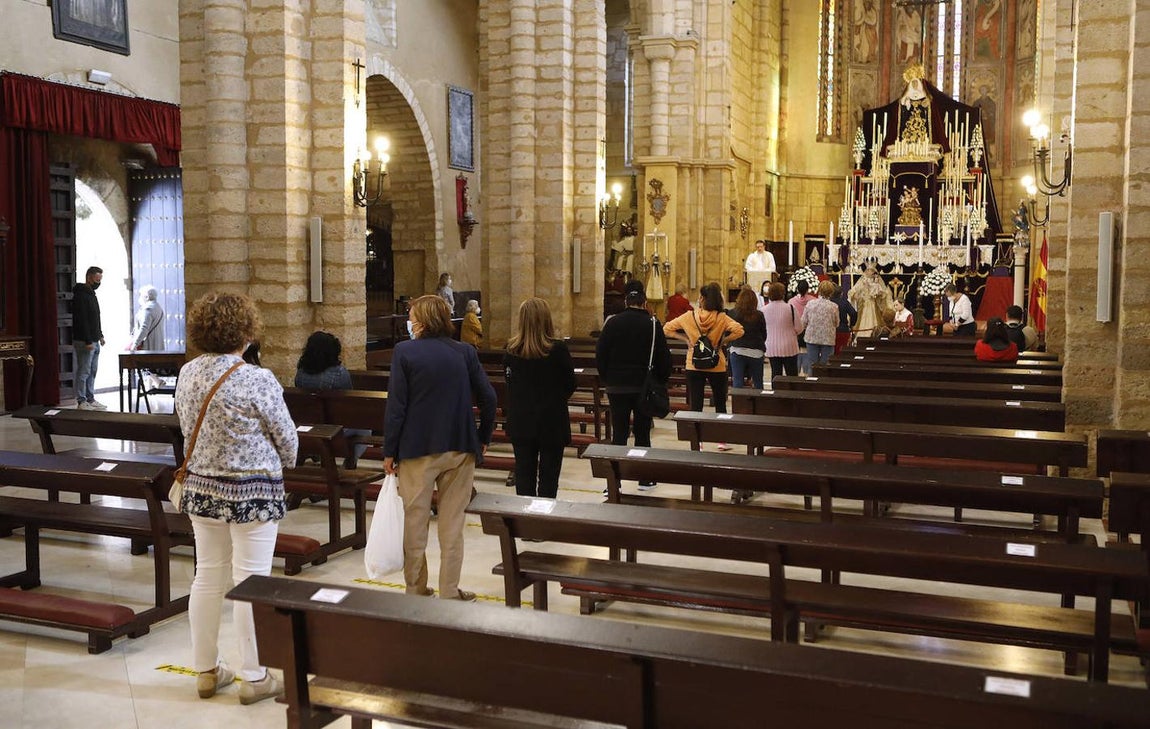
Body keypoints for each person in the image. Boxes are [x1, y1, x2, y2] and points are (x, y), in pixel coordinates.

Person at [175, 292, 298, 705]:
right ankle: (255, 676)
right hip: (253, 493)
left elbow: (185, 426)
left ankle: (206, 671)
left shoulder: (188, 372)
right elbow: (287, 440)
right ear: (246, 332)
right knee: (252, 580)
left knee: (207, 577)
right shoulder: (257, 379)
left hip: (202, 488)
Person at [384, 295, 496, 601]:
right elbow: (489, 398)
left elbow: (396, 407)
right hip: (460, 447)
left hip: (417, 449)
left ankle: (416, 588)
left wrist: (390, 450)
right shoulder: (464, 352)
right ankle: (449, 592)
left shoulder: (404, 352)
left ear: (421, 321)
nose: (409, 322)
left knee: (415, 522)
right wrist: (482, 437)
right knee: (452, 525)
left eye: (411, 317)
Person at [596, 283, 671, 492]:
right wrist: (659, 381)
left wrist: (608, 379)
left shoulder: (612, 323)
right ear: (644, 302)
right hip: (643, 387)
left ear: (626, 301)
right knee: (642, 433)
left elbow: (600, 354)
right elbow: (664, 358)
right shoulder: (653, 324)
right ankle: (644, 479)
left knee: (619, 434)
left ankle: (614, 482)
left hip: (617, 386)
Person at [503, 298, 576, 499]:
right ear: (547, 319)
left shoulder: (511, 350)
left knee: (524, 476)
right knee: (549, 479)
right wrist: (554, 399)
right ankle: (545, 515)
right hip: (551, 421)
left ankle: (525, 516)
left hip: (521, 420)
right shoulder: (557, 350)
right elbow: (570, 384)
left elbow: (510, 384)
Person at [664, 281, 745, 421]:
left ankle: (697, 434)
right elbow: (739, 330)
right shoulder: (721, 317)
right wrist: (723, 341)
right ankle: (721, 433)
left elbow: (667, 328)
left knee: (696, 405)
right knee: (720, 404)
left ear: (702, 299)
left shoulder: (689, 316)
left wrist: (685, 339)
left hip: (694, 363)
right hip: (716, 363)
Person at [294, 331, 368, 468]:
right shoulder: (339, 373)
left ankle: (313, 452)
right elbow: (349, 400)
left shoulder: (301, 373)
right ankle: (350, 462)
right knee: (365, 427)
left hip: (309, 425)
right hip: (335, 428)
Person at [72, 266, 107, 410]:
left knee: (92, 371)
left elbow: (95, 318)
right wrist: (87, 340)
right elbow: (82, 319)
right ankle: (81, 400)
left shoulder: (92, 294)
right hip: (84, 340)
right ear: (89, 278)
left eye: (100, 279)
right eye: (97, 279)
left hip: (94, 339)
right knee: (84, 371)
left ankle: (90, 398)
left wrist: (100, 335)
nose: (99, 282)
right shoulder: (81, 295)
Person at [726, 286, 766, 390]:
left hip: (737, 350)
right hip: (756, 351)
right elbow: (764, 334)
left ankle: (738, 400)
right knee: (758, 382)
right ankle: (758, 399)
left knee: (737, 382)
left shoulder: (732, 313)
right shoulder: (759, 315)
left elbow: (728, 333)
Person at [762, 282, 803, 381]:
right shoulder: (791, 308)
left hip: (772, 346)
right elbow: (799, 328)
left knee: (776, 374)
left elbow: (762, 330)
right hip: (790, 346)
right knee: (792, 375)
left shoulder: (763, 310)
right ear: (783, 294)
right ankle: (792, 390)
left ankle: (776, 390)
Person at [802, 281, 840, 369]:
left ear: (819, 290)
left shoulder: (810, 304)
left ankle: (812, 377)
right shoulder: (834, 306)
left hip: (812, 337)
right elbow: (837, 323)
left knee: (812, 365)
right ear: (831, 292)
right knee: (825, 366)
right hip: (828, 338)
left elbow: (804, 321)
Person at [848, 264, 893, 337]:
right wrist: (856, 295)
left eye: (871, 270)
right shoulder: (862, 280)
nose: (870, 272)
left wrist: (878, 294)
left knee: (875, 320)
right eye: (868, 270)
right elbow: (853, 291)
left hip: (874, 305)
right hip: (864, 305)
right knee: (863, 321)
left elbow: (883, 293)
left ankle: (875, 334)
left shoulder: (877, 282)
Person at [788, 279, 817, 374]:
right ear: (808, 289)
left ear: (797, 289)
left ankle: (796, 371)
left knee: (796, 352)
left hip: (795, 331)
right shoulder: (814, 301)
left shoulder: (791, 301)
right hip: (809, 330)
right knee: (808, 352)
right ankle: (807, 372)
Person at [129, 285, 166, 351]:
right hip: (157, 346)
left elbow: (144, 328)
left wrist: (135, 344)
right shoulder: (158, 308)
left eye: (141, 295)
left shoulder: (147, 309)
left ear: (147, 297)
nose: (140, 298)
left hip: (148, 346)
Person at [833, 284, 858, 354]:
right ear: (841, 294)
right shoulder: (844, 302)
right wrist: (852, 324)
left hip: (830, 331)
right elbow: (853, 313)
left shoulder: (829, 302)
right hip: (843, 330)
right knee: (843, 352)